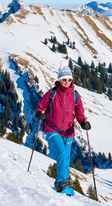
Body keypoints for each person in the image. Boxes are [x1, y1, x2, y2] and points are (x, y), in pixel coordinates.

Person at [35, 62, 91, 194]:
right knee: (61, 153)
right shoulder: (52, 93)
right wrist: (40, 113)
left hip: (69, 131)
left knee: (66, 157)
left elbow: (79, 112)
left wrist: (83, 122)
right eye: (64, 80)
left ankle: (64, 183)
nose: (66, 82)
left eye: (69, 80)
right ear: (59, 80)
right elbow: (41, 106)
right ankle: (61, 184)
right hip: (52, 128)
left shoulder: (75, 95)